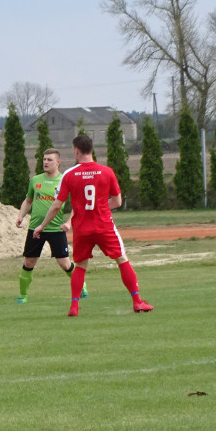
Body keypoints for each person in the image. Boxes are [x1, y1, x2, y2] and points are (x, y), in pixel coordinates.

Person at [33, 134, 153, 317]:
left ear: (76, 151)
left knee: (80, 266)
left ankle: (74, 306)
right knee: (121, 259)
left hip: (82, 228)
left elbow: (57, 205)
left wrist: (42, 225)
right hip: (104, 224)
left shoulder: (70, 174)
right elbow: (117, 201)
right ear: (91, 149)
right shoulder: (106, 171)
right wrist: (101, 206)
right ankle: (137, 301)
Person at [14, 148, 85, 303]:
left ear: (58, 162)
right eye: (44, 159)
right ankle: (23, 296)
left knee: (65, 264)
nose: (45, 162)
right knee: (29, 262)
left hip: (56, 229)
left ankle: (82, 287)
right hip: (35, 228)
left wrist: (69, 222)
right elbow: (28, 200)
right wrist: (21, 215)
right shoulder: (35, 180)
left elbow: (78, 204)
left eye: (49, 160)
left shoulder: (64, 181)